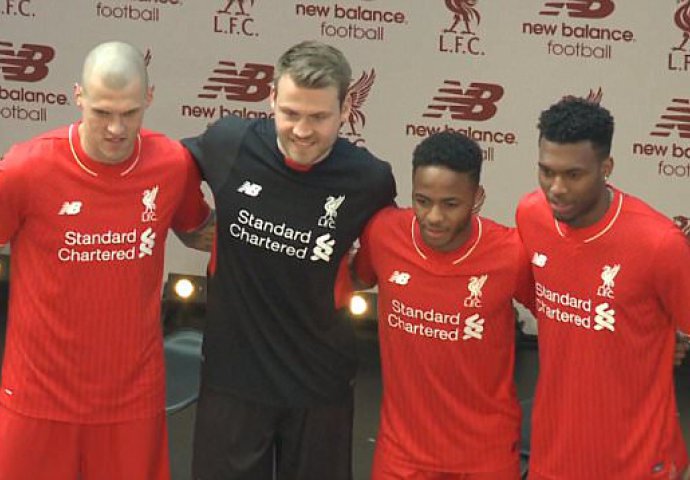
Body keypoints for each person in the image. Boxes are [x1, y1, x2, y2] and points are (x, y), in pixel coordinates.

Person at [181, 40, 396, 480]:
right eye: (291, 113)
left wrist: (356, 275)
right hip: (232, 375)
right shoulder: (231, 143)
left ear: (346, 108)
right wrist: (192, 223)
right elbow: (171, 167)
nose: (302, 130)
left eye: (319, 117)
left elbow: (385, 247)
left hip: (319, 383)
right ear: (271, 98)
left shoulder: (368, 179)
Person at [0, 41, 212, 480]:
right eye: (102, 112)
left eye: (130, 113)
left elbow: (203, 233)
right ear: (78, 96)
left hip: (131, 401)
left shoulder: (172, 165)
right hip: (38, 397)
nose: (116, 128)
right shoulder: (26, 169)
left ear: (149, 99)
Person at [516, 97, 690, 479]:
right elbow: (543, 300)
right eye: (546, 171)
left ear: (606, 168)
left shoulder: (659, 244)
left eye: (573, 175)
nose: (556, 188)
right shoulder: (531, 215)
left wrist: (666, 339)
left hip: (638, 461)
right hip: (554, 456)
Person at [352, 131, 534, 479]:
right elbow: (347, 280)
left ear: (477, 197)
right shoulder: (383, 234)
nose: (433, 216)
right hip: (401, 456)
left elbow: (564, 320)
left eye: (450, 204)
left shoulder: (510, 254)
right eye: (422, 200)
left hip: (485, 456)